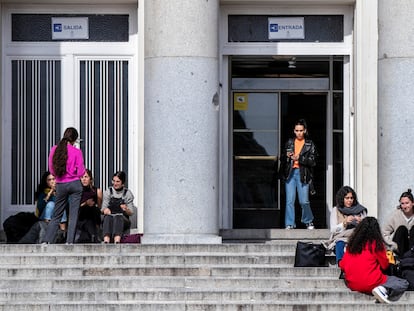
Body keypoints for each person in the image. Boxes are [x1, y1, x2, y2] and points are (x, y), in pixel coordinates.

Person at [339, 217, 409, 304]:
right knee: (403, 283)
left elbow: (342, 265)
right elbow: (384, 265)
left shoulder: (351, 245)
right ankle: (383, 289)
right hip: (372, 282)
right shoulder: (376, 244)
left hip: (352, 284)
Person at [42, 127, 85, 244]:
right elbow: (81, 172)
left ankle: (47, 241)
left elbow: (51, 169)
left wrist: (59, 176)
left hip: (61, 184)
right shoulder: (77, 152)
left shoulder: (54, 149)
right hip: (75, 184)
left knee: (56, 214)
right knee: (73, 214)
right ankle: (69, 241)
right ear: (75, 139)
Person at [279, 119, 317, 229]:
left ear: (305, 130)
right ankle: (289, 223)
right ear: (294, 131)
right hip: (290, 174)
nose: (299, 133)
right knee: (289, 200)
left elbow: (313, 161)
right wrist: (286, 156)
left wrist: (299, 158)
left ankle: (308, 220)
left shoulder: (309, 144)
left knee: (304, 200)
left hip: (303, 174)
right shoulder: (290, 142)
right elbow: (282, 158)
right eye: (297, 130)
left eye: (301, 130)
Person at [19, 171, 67, 244]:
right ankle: (48, 225)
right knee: (51, 204)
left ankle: (63, 229)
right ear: (46, 182)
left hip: (58, 217)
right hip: (45, 217)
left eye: (53, 179)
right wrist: (50, 193)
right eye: (49, 180)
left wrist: (58, 193)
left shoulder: (62, 191)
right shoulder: (43, 193)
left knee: (59, 205)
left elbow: (67, 204)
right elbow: (40, 207)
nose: (52, 181)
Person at [326, 186, 367, 263]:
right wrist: (344, 223)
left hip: (356, 237)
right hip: (341, 237)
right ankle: (341, 266)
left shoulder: (360, 210)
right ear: (342, 199)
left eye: (351, 198)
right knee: (340, 244)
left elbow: (368, 227)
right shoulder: (336, 210)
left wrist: (361, 223)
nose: (350, 200)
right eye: (347, 198)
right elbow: (333, 229)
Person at [101, 171, 134, 244]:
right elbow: (103, 209)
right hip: (110, 218)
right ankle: (106, 240)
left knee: (118, 217)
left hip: (123, 219)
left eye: (118, 181)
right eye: (114, 181)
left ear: (123, 183)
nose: (115, 183)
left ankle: (117, 240)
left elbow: (131, 212)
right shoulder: (108, 192)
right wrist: (105, 210)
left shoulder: (127, 193)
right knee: (107, 217)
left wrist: (126, 209)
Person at [382, 189, 414, 256]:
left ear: (412, 203)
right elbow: (384, 233)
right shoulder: (395, 215)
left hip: (412, 248)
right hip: (400, 248)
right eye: (402, 203)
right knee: (401, 229)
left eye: (407, 203)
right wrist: (393, 245)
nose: (405, 206)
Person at [76, 169, 103, 243]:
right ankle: (93, 235)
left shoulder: (97, 191)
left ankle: (94, 233)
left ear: (90, 179)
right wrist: (85, 203)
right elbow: (75, 207)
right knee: (86, 208)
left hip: (93, 216)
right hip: (81, 215)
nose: (84, 179)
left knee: (92, 209)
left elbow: (100, 207)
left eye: (86, 177)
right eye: (82, 177)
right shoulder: (77, 191)